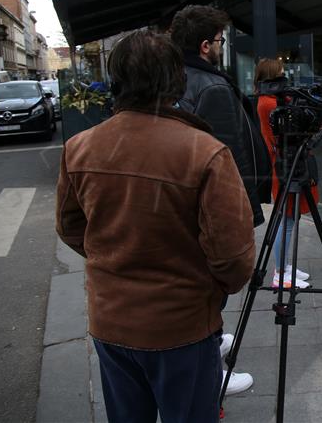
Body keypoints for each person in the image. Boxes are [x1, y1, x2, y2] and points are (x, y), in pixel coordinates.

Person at [55, 30, 255, 423]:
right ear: (175, 81)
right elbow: (233, 256)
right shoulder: (205, 151)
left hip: (111, 321)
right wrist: (212, 288)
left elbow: (70, 227)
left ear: (118, 83)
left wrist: (112, 259)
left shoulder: (80, 147)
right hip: (181, 325)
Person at [170, 4, 270, 395]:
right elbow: (229, 156)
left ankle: (211, 344)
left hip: (185, 205)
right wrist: (244, 211)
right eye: (221, 41)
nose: (223, 47)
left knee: (198, 283)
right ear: (206, 44)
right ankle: (210, 370)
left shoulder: (178, 77)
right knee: (211, 284)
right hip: (211, 207)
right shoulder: (210, 85)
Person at [254, 58, 322, 289]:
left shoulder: (276, 99)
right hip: (285, 168)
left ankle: (286, 268)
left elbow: (309, 120)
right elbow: (307, 124)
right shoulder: (268, 104)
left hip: (292, 163)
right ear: (270, 77)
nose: (285, 80)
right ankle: (280, 274)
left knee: (291, 218)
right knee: (287, 221)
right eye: (280, 75)